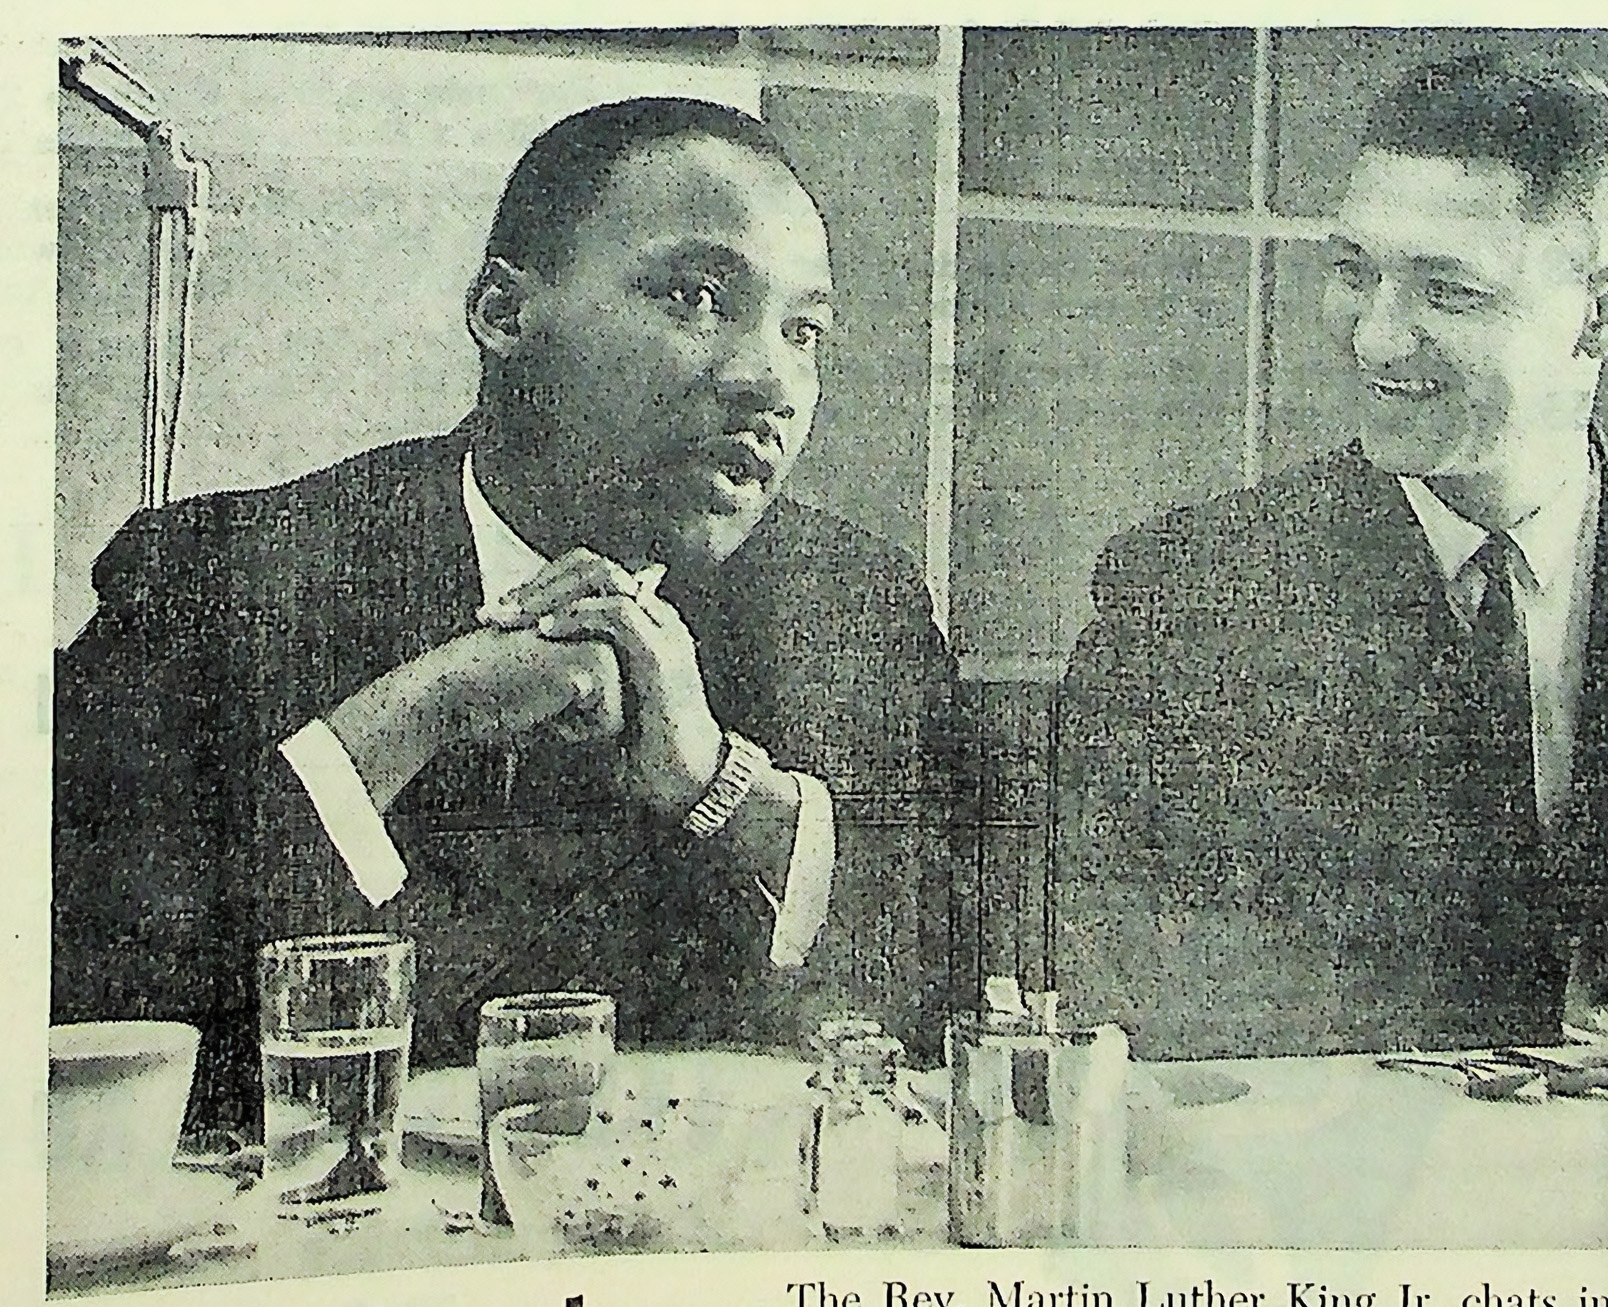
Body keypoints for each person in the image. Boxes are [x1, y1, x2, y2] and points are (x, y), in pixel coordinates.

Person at [54, 98, 955, 1131]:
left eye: (805, 332)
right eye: (697, 296)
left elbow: (964, 990)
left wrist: (720, 785)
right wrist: (416, 714)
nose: (769, 382)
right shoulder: (215, 580)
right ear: (503, 312)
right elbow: (83, 1011)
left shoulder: (857, 614)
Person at [1056, 56, 1608, 1059]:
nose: (1376, 337)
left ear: (1606, 311)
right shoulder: (1190, 602)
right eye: (1355, 271)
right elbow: (1136, 1024)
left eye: (1447, 290)